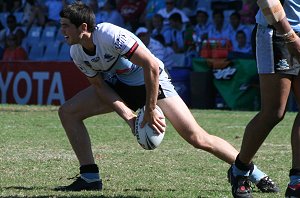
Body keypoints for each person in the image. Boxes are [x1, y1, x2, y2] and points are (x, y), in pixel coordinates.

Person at [55, 1, 279, 193]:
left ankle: (254, 173)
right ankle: (90, 177)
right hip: (120, 86)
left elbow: (151, 66)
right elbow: (100, 87)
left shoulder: (110, 35)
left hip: (153, 82)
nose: (61, 30)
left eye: (65, 26)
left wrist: (150, 109)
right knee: (68, 112)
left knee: (197, 137)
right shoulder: (76, 52)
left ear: (83, 27)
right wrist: (129, 117)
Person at [227, 0, 300, 198]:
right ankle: (240, 170)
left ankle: (297, 181)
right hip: (278, 32)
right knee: (274, 112)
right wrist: (290, 37)